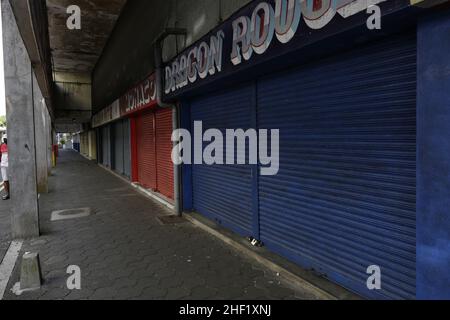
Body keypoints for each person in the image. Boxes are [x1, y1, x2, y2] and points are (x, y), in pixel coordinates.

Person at [1, 134, 9, 200]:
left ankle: (9, 193)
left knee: (9, 180)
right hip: (3, 164)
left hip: (10, 164)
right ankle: (7, 194)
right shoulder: (2, 146)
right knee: (5, 180)